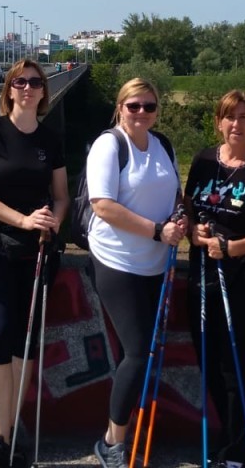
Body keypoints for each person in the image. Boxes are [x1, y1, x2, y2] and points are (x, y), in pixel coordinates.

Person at [0, 59, 69, 468]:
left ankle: (12, 434)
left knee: (25, 345)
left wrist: (53, 221)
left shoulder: (51, 138)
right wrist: (23, 220)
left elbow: (62, 194)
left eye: (34, 83)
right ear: (8, 90)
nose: (27, 88)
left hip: (38, 254)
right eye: (20, 82)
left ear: (44, 92)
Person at [86, 78, 187, 468]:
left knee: (148, 351)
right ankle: (112, 440)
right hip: (118, 262)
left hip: (156, 264)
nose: (142, 113)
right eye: (134, 106)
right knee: (139, 352)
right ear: (120, 107)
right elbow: (102, 205)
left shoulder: (163, 145)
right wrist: (157, 230)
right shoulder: (109, 145)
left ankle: (134, 433)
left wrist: (180, 219)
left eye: (149, 106)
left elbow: (176, 194)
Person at [184, 89, 245, 468]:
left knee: (234, 365)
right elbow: (189, 207)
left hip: (243, 278)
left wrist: (230, 248)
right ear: (218, 122)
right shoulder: (204, 160)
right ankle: (241, 438)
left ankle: (237, 445)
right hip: (203, 275)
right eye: (229, 116)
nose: (236, 124)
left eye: (244, 117)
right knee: (209, 359)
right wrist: (194, 233)